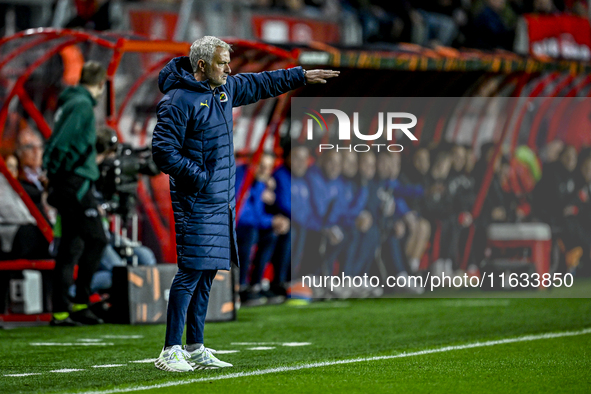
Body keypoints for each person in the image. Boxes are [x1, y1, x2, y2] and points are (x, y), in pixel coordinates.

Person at [151, 36, 339, 372]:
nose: (228, 68)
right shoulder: (177, 100)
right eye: (223, 62)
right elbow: (164, 151)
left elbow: (261, 82)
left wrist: (299, 76)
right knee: (191, 272)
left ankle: (195, 346)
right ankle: (170, 349)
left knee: (207, 272)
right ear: (201, 65)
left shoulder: (223, 90)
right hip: (196, 200)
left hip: (219, 201)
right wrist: (200, 177)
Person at [42, 61, 108, 327]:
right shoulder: (81, 106)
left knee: (72, 247)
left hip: (70, 182)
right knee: (97, 239)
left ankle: (61, 311)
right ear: (101, 84)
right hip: (75, 183)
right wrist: (56, 175)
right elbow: (60, 144)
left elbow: (58, 142)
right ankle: (80, 303)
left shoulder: (72, 102)